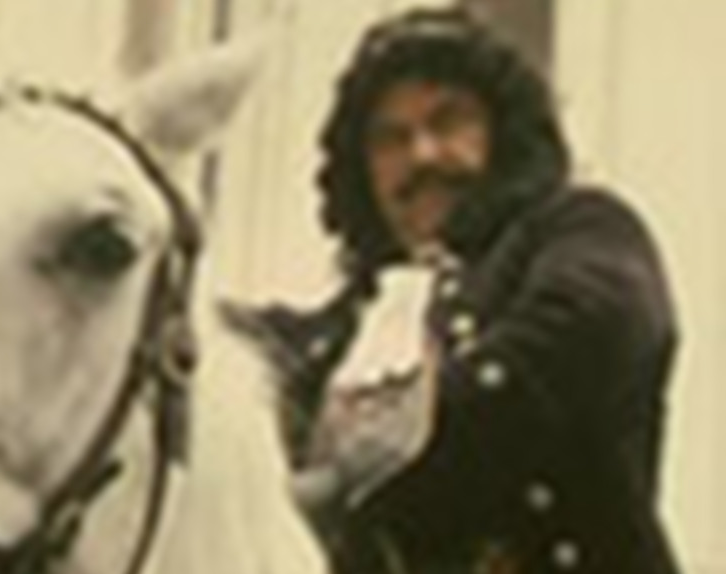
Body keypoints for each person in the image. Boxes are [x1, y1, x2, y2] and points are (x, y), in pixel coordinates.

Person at [239, 7, 683, 574]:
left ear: (502, 131)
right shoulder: (345, 332)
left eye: (447, 122)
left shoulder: (582, 230)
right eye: (391, 139)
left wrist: (347, 482)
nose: (421, 154)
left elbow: (580, 339)